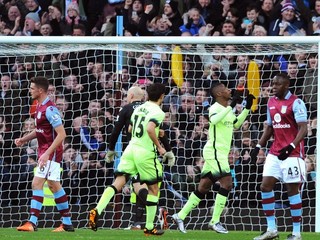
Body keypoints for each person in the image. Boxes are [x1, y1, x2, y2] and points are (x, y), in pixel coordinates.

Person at [88, 83, 174, 236]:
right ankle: (149, 226)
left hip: (130, 149)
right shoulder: (158, 111)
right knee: (153, 189)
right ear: (162, 96)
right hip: (145, 153)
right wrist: (161, 148)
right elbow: (149, 129)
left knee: (118, 182)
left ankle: (97, 210)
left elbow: (129, 129)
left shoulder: (139, 109)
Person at [172, 82, 255, 234]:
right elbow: (214, 121)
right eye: (226, 89)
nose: (229, 90)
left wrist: (247, 108)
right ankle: (215, 221)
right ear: (218, 94)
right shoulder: (214, 108)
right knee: (227, 184)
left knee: (203, 187)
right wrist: (232, 105)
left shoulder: (226, 110)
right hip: (215, 152)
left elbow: (235, 125)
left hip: (220, 153)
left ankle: (180, 215)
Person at [251, 73, 308, 240]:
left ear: (286, 85)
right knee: (265, 187)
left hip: (293, 154)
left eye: (277, 84)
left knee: (292, 191)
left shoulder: (296, 102)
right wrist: (258, 146)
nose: (273, 87)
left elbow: (303, 128)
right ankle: (271, 229)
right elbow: (269, 128)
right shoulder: (271, 102)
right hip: (275, 152)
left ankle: (296, 233)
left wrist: (291, 146)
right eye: (272, 84)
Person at [15, 76, 74, 232]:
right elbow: (40, 130)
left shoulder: (50, 108)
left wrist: (48, 153)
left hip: (51, 152)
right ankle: (67, 222)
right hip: (46, 151)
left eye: (32, 88)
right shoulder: (38, 106)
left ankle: (32, 222)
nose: (30, 90)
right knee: (54, 185)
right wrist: (24, 139)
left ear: (40, 90)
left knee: (37, 183)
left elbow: (62, 134)